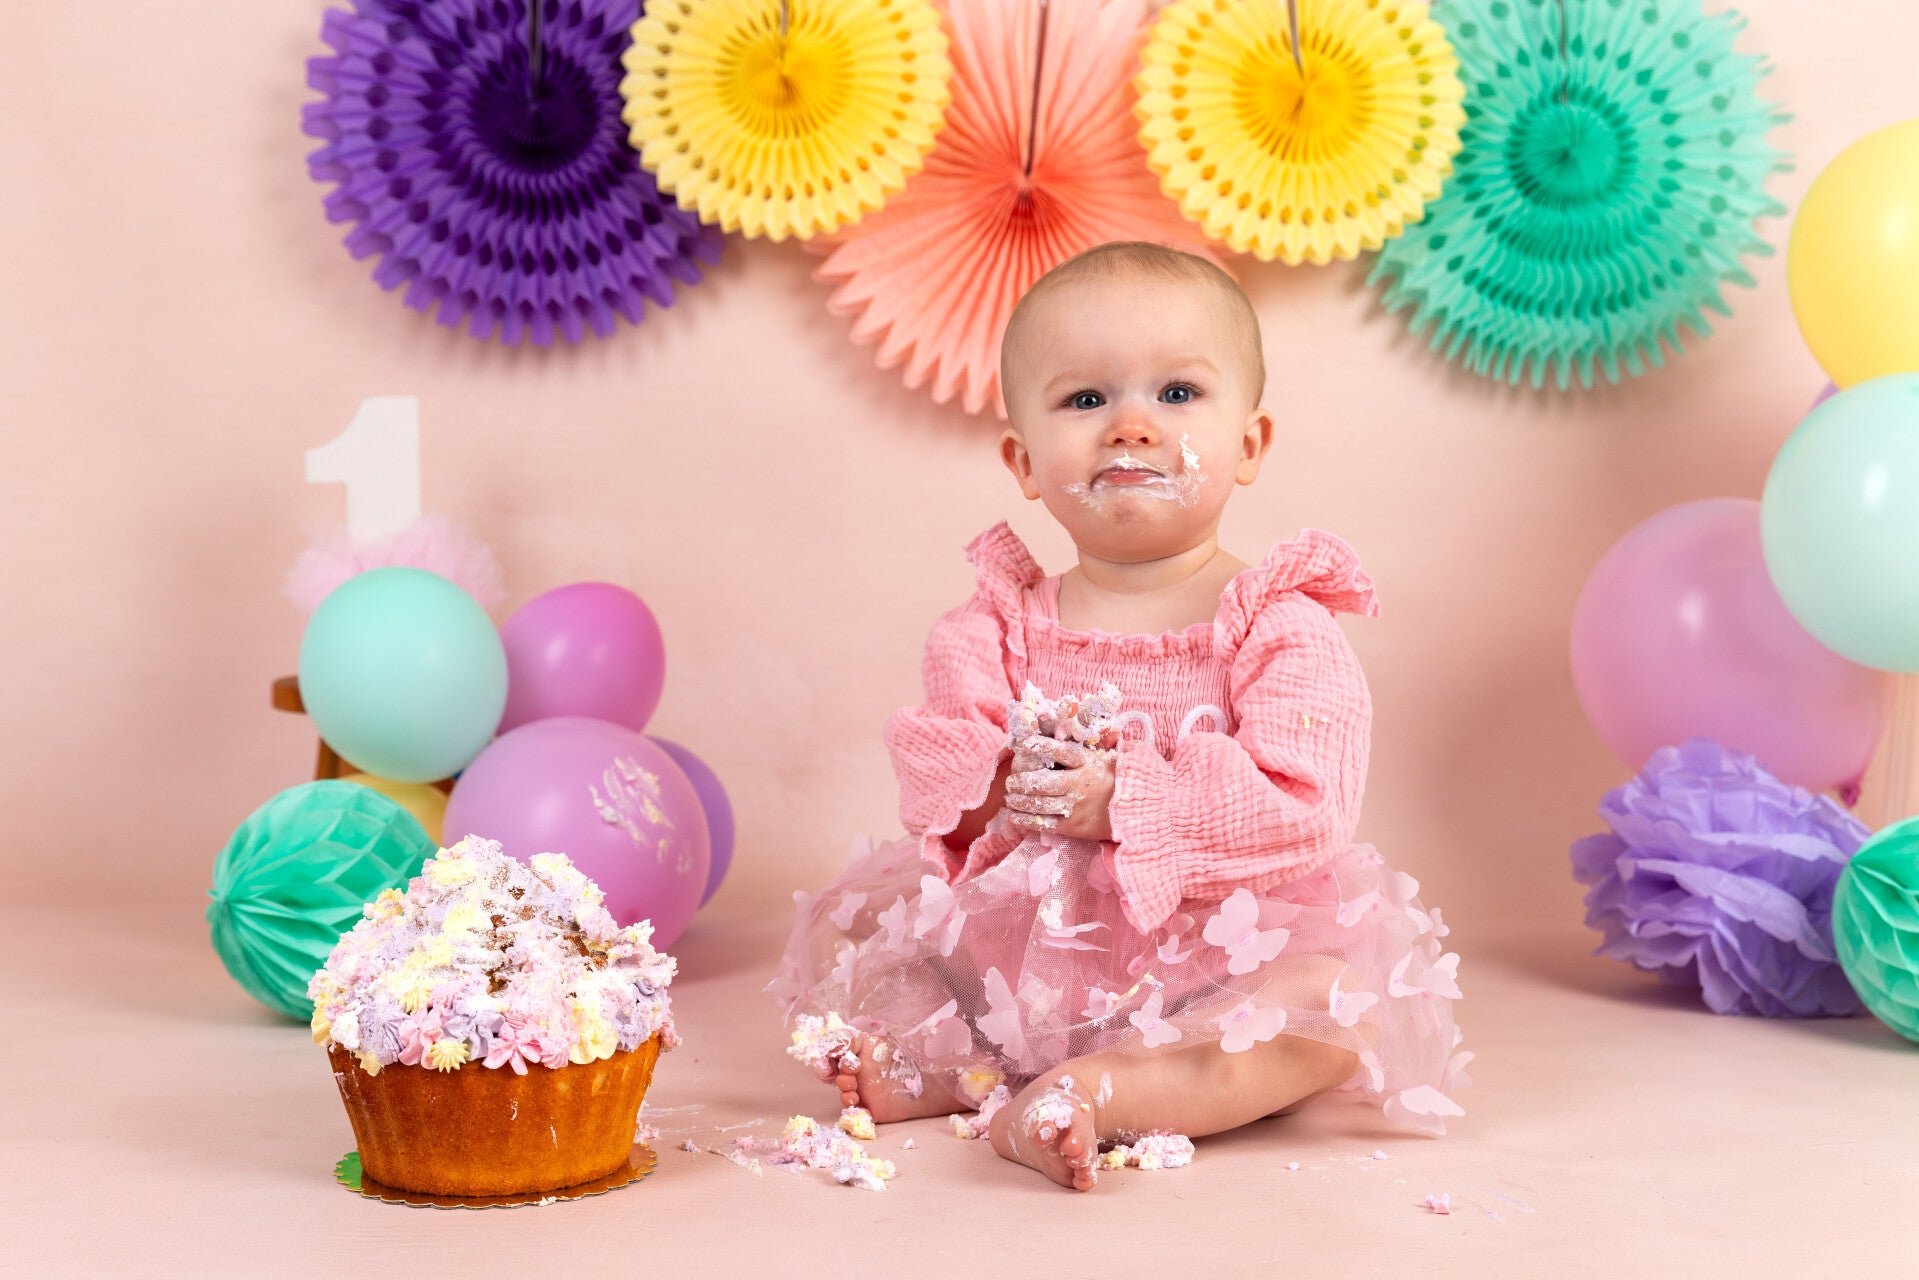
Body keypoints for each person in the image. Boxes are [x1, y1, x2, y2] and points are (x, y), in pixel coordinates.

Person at [769, 241, 1468, 1191]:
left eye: (1177, 393)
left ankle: (1107, 1089)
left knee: (1332, 1010)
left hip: (1216, 956)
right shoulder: (997, 624)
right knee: (865, 930)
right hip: (1017, 954)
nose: (1130, 426)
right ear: (1023, 462)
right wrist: (1002, 786)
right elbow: (935, 773)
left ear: (1249, 445)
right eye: (1085, 399)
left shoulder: (1277, 627)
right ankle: (949, 1062)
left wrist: (1125, 803)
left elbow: (1306, 804)